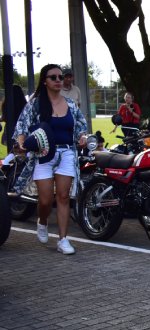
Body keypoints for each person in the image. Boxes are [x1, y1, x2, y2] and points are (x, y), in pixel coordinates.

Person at [13, 64, 88, 255]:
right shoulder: (36, 103)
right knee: (45, 200)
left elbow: (81, 127)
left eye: (60, 77)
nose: (58, 80)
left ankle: (63, 240)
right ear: (44, 81)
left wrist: (83, 138)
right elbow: (22, 126)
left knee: (63, 197)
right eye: (53, 77)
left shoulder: (70, 104)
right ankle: (43, 220)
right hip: (43, 155)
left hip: (67, 153)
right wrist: (22, 143)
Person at [1, 84, 27, 150]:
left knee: (12, 151)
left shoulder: (6, 105)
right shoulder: (25, 105)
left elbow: (4, 118)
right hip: (22, 131)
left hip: (9, 131)